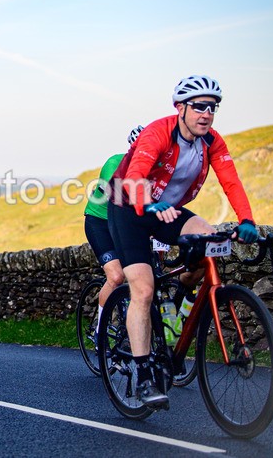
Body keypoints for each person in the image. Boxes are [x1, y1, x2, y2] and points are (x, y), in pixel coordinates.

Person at [107, 75, 259, 408]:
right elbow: (135, 175)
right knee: (144, 289)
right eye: (199, 107)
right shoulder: (158, 131)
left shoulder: (213, 142)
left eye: (213, 108)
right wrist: (148, 203)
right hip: (130, 207)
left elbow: (231, 182)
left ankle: (178, 307)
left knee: (208, 242)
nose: (206, 114)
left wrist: (247, 220)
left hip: (168, 210)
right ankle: (144, 373)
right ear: (180, 108)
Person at [84, 125, 144, 328]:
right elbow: (118, 197)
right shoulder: (114, 162)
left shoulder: (154, 168)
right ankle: (100, 328)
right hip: (99, 221)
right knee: (117, 276)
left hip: (123, 222)